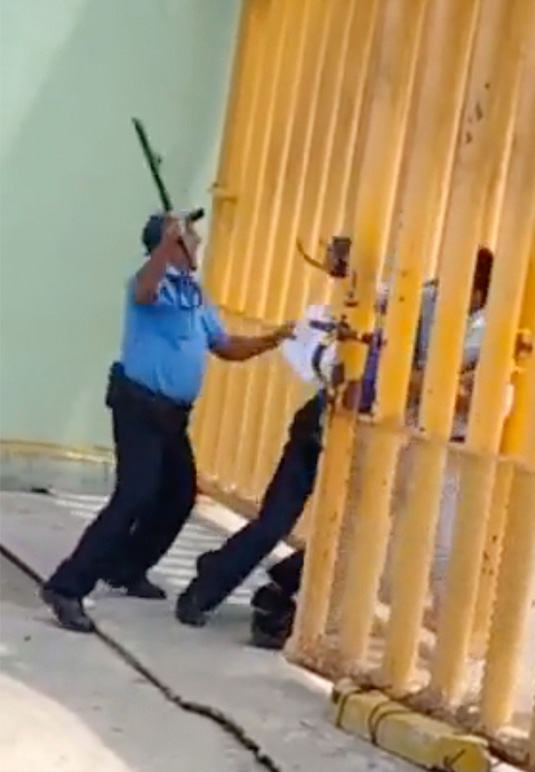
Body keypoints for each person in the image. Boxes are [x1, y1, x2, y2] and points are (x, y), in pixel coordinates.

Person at [176, 249, 495, 647]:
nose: (441, 294)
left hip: (357, 434)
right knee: (304, 527)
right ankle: (214, 590)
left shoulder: (468, 335)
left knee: (348, 534)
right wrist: (348, 274)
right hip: (332, 426)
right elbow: (374, 298)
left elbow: (455, 390)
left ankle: (258, 587)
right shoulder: (412, 315)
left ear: (479, 294)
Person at [40, 213, 293, 634]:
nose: (198, 243)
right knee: (134, 495)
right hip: (139, 406)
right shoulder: (149, 282)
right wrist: (164, 245)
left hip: (173, 416)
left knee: (178, 495)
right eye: (190, 238)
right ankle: (67, 586)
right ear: (171, 245)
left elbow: (226, 346)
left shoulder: (194, 294)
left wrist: (276, 338)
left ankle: (127, 566)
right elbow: (143, 291)